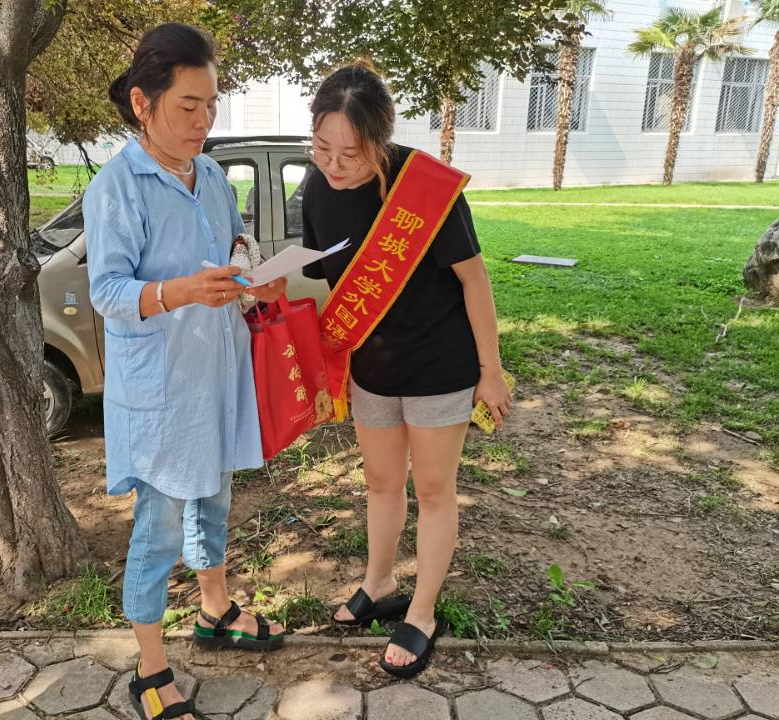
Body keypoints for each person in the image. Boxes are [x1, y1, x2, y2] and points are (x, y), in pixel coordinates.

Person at [83, 23, 286, 720]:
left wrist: (247, 267)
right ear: (143, 104)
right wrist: (180, 292)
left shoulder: (213, 176)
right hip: (162, 389)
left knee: (214, 497)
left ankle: (214, 610)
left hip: (215, 370)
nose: (203, 122)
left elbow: (231, 244)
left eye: (211, 106)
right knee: (160, 524)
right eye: (188, 107)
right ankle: (149, 667)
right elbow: (108, 292)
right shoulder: (119, 186)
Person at [301, 62, 512, 678]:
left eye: (351, 154)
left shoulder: (425, 189)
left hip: (441, 366)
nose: (335, 165)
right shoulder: (317, 186)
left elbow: (474, 280)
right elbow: (324, 276)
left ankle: (421, 612)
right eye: (322, 148)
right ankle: (380, 582)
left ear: (382, 142)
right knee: (380, 483)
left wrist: (491, 370)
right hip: (372, 368)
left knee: (434, 490)